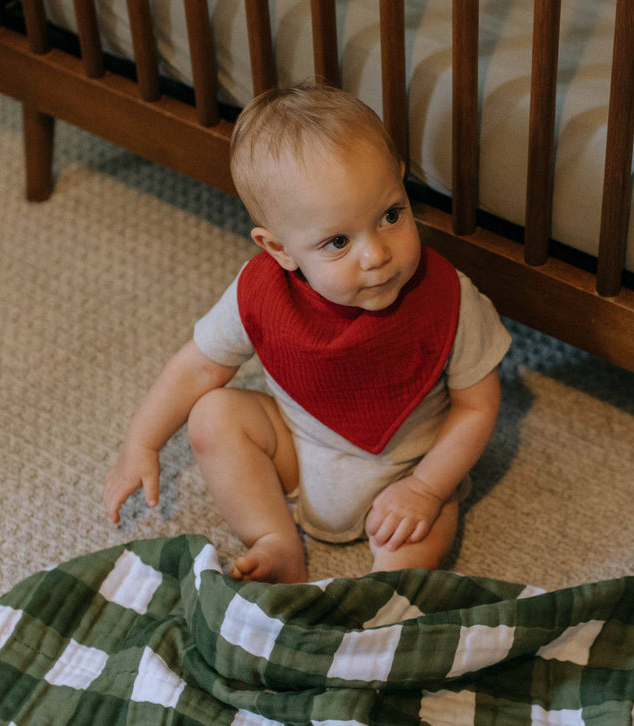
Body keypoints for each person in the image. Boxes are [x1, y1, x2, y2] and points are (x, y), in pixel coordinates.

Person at [104, 84, 511, 583]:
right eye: (338, 241)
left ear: (403, 186)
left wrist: (426, 488)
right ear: (279, 249)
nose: (376, 254)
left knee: (419, 540)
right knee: (213, 414)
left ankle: (381, 599)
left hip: (407, 470)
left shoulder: (449, 296)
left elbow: (478, 405)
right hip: (297, 451)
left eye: (391, 215)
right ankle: (274, 539)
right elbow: (197, 366)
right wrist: (140, 443)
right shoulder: (260, 293)